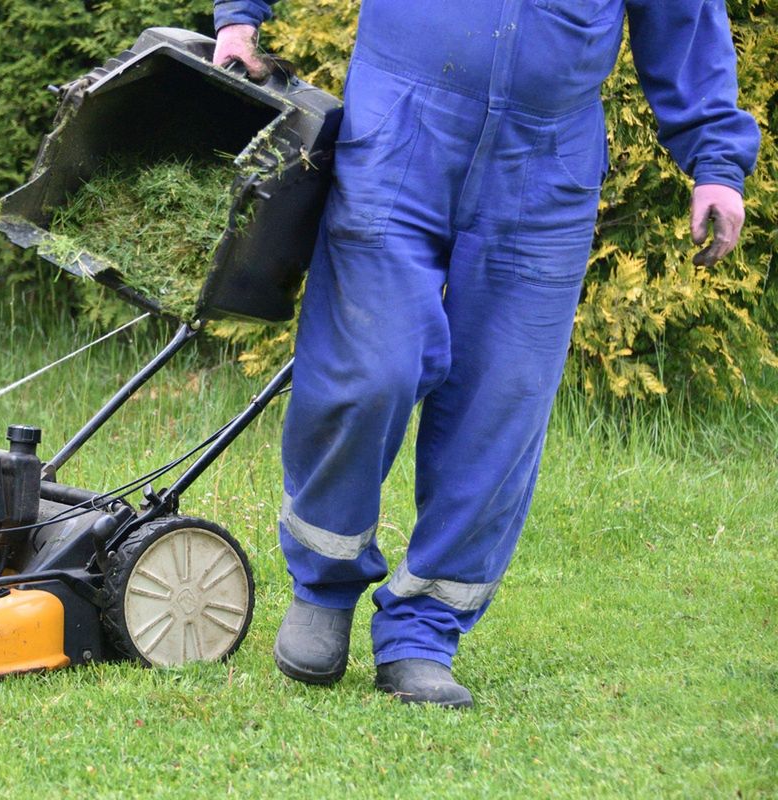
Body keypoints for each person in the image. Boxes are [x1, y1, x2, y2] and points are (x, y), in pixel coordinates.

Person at [211, 0, 759, 708]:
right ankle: (323, 581)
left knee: (501, 403)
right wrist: (239, 18)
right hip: (401, 125)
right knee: (368, 368)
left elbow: (685, 20)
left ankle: (424, 630)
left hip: (545, 162)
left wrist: (716, 157)